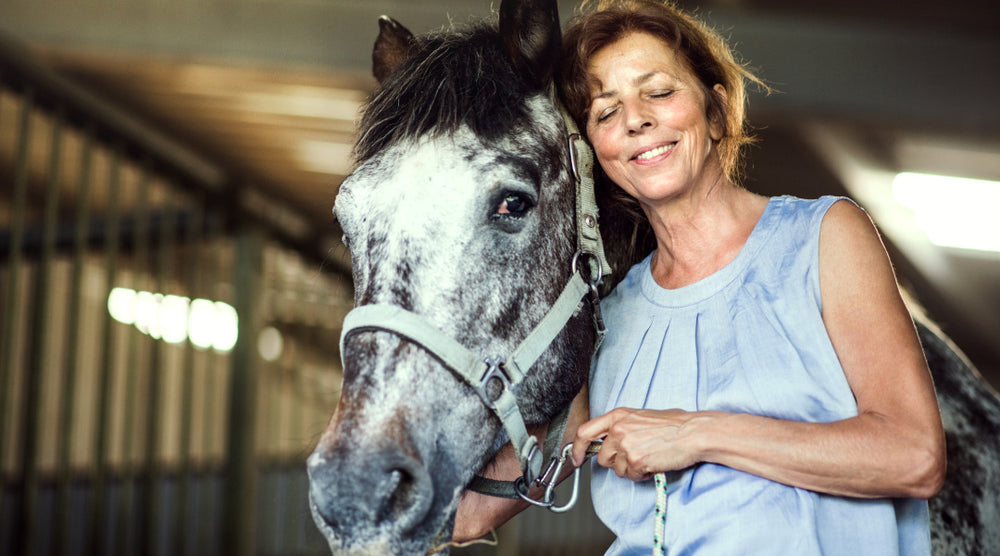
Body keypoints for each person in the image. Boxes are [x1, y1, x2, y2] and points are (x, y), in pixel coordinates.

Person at [455, 1, 946, 553]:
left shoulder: (822, 237)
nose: (635, 119)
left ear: (716, 113)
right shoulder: (605, 316)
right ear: (597, 154)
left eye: (658, 92)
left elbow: (914, 456)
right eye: (605, 112)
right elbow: (470, 514)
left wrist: (696, 433)